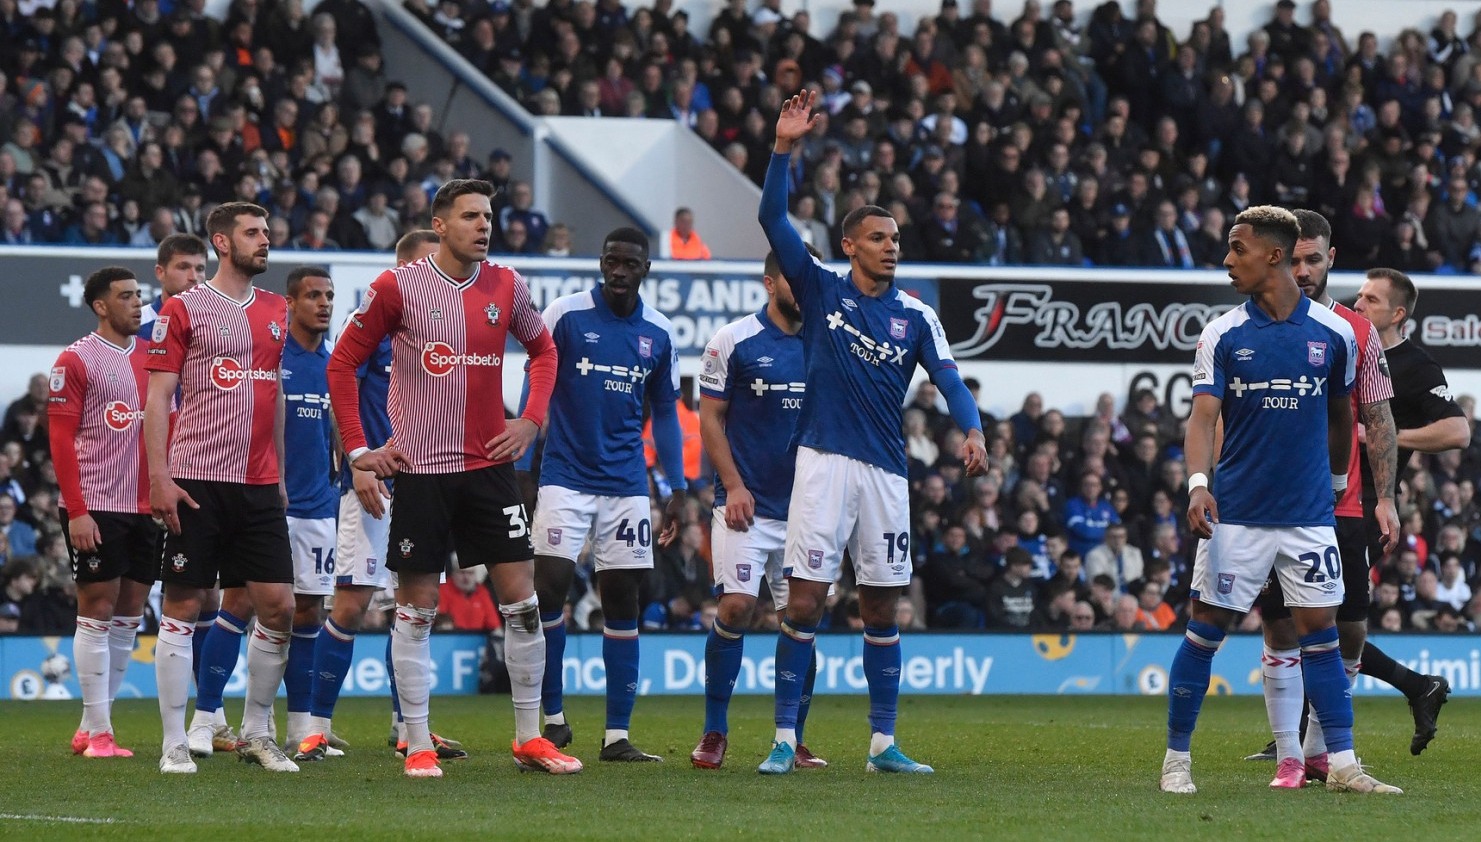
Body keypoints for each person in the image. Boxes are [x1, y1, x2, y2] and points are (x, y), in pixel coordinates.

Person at [757, 91, 987, 775]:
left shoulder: (915, 315)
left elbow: (948, 378)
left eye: (896, 239)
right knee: (804, 600)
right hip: (824, 463)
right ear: (850, 244)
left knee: (883, 606)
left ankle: (882, 743)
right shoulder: (821, 289)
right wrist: (783, 147)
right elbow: (771, 216)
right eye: (879, 238)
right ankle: (780, 738)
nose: (892, 247)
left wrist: (970, 431)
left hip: (887, 472)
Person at [328, 179, 579, 778]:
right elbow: (342, 363)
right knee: (417, 608)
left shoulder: (507, 284)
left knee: (522, 601)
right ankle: (416, 743)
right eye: (470, 216)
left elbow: (544, 354)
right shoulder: (397, 287)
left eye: (487, 216)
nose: (483, 226)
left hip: (491, 469)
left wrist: (531, 421)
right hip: (423, 471)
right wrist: (360, 449)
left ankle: (529, 739)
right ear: (439, 225)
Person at [1162, 205, 1399, 795]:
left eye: (1236, 249)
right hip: (1237, 515)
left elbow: (1341, 415)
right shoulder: (1222, 333)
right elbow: (1201, 418)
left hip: (1308, 517)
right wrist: (1198, 484)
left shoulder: (1335, 333)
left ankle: (1340, 765)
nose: (1226, 261)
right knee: (1205, 631)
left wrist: (1340, 483)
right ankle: (1176, 763)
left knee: (1323, 634)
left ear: (1273, 254)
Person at [521, 227, 688, 763]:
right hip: (564, 475)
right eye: (612, 261)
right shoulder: (565, 315)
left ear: (645, 270)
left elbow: (665, 412)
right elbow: (535, 386)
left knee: (623, 599)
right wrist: (525, 470)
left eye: (630, 263)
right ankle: (551, 716)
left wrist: (678, 485)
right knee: (549, 587)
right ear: (600, 262)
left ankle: (617, 735)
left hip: (626, 485)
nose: (619, 270)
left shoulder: (659, 333)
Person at [1244, 210, 1399, 785]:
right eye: (1297, 259)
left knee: (1351, 628)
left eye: (1315, 259)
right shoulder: (1247, 327)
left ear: (1331, 259)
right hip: (1273, 506)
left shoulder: (1354, 332)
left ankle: (1315, 748)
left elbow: (1378, 418)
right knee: (1281, 627)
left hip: (1345, 505)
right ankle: (1293, 755)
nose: (1304, 270)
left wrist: (1386, 497)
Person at [300, 231, 466, 761]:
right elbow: (339, 387)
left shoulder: (445, 331)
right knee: (351, 602)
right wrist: (358, 463)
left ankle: (408, 727)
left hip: (428, 482)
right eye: (423, 263)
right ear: (400, 267)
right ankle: (316, 726)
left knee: (415, 607)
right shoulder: (376, 324)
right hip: (372, 483)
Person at [146, 202, 298, 774]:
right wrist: (160, 476)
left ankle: (257, 730)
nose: (266, 240)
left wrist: (280, 472)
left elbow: (274, 394)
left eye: (267, 231)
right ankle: (173, 741)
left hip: (259, 484)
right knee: (183, 605)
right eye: (253, 233)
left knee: (278, 606)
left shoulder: (276, 310)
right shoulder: (183, 308)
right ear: (222, 243)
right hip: (197, 478)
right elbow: (158, 397)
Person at [690, 246, 828, 771]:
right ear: (770, 283)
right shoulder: (734, 340)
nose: (805, 287)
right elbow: (710, 419)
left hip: (809, 510)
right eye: (795, 278)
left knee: (805, 615)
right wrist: (733, 484)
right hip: (747, 505)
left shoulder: (828, 341)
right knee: (735, 609)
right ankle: (714, 731)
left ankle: (791, 736)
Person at [1354, 267, 1471, 754]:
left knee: (1323, 619)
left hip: (1366, 506)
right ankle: (1417, 686)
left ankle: (1300, 740)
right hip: (1322, 498)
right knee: (1311, 618)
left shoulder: (1415, 366)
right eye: (1359, 295)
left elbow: (1457, 431)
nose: (1358, 305)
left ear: (1398, 314)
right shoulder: (1349, 347)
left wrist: (1384, 434)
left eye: (1371, 300)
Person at [52, 266, 155, 759]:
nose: (137, 303)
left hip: (145, 505)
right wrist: (76, 510)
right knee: (96, 611)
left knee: (128, 617)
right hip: (96, 505)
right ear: (100, 306)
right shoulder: (76, 360)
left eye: (139, 295)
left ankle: (94, 724)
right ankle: (99, 734)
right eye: (126, 296)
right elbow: (60, 441)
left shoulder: (155, 359)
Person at [263, 266, 341, 761]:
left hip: (320, 507)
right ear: (290, 302)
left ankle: (300, 731)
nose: (324, 303)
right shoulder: (273, 358)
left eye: (329, 295)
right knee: (259, 610)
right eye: (313, 295)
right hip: (272, 503)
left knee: (310, 612)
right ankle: (229, 721)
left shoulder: (336, 365)